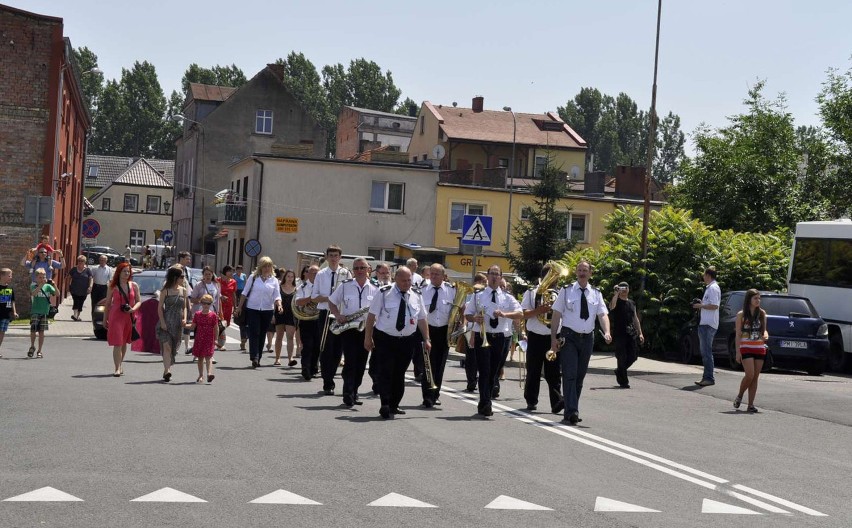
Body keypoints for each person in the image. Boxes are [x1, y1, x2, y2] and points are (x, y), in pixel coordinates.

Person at [363, 266, 431, 419]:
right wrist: (368, 337)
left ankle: (394, 404)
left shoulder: (416, 295)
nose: (407, 283)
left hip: (407, 340)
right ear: (396, 279)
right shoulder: (384, 293)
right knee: (386, 371)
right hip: (385, 338)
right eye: (403, 280)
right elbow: (371, 316)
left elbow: (422, 318)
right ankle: (385, 404)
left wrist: (427, 339)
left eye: (409, 280)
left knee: (399, 373)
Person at [550, 260, 612, 425]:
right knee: (570, 374)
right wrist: (553, 339)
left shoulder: (596, 293)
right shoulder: (566, 291)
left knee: (579, 376)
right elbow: (556, 315)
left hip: (587, 339)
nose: (582, 273)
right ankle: (572, 412)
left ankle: (571, 409)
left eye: (585, 270)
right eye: (579, 270)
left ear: (590, 273)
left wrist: (607, 331)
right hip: (569, 337)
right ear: (576, 273)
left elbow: (603, 315)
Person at [464, 265, 523, 417]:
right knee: (484, 370)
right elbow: (468, 314)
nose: (494, 277)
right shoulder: (478, 295)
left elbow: (519, 313)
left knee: (493, 372)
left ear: (501, 277)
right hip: (482, 336)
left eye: (497, 274)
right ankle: (485, 403)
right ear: (487, 276)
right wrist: (474, 318)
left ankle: (485, 400)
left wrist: (504, 314)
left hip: (500, 337)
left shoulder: (507, 297)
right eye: (492, 274)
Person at [329, 257, 378, 407]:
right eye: (356, 268)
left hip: (367, 329)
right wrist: (338, 315)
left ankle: (355, 391)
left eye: (362, 268)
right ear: (353, 271)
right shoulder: (345, 286)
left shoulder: (376, 288)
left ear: (368, 269)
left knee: (362, 363)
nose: (359, 271)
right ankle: (348, 393)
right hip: (349, 328)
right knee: (350, 361)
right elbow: (332, 302)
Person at [521, 264, 564, 413]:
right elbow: (524, 314)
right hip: (536, 336)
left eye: (556, 277)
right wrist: (539, 310)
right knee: (534, 370)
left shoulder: (560, 293)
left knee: (554, 371)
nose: (555, 280)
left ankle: (557, 402)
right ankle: (531, 400)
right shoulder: (532, 292)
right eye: (553, 276)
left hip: (554, 337)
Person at [311, 245, 352, 395]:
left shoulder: (346, 273)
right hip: (326, 314)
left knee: (338, 348)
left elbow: (350, 293)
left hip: (341, 314)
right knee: (326, 348)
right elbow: (314, 297)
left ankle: (332, 375)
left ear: (340, 257)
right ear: (327, 257)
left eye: (336, 255)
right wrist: (331, 298)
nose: (334, 258)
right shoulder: (321, 274)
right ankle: (327, 382)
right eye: (331, 255)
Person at [234, 256, 282, 368]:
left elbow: (277, 295)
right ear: (260, 267)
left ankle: (258, 357)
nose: (267, 268)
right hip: (253, 308)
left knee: (262, 333)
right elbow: (244, 293)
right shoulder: (253, 277)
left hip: (267, 309)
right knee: (254, 332)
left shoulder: (274, 280)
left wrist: (279, 305)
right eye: (264, 266)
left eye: (269, 266)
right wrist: (239, 307)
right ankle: (254, 356)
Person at [419, 263, 455, 408]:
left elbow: (460, 308)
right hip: (427, 330)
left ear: (443, 276)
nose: (433, 276)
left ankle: (435, 393)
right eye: (431, 273)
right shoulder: (422, 290)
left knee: (439, 365)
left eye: (436, 274)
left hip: (444, 331)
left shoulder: (451, 290)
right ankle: (427, 395)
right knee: (427, 363)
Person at [102, 262, 141, 376]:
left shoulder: (134, 285)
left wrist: (133, 309)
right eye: (124, 271)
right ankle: (117, 368)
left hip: (129, 316)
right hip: (116, 317)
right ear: (118, 272)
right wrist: (105, 319)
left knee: (124, 343)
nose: (126, 273)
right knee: (117, 343)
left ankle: (120, 363)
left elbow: (139, 301)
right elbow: (108, 304)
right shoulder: (112, 286)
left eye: (128, 271)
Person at [733, 289, 768, 413]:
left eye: (759, 298)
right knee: (750, 375)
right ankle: (740, 395)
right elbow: (738, 334)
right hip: (746, 347)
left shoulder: (762, 313)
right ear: (749, 300)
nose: (758, 301)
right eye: (755, 298)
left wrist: (765, 335)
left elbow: (764, 330)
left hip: (759, 348)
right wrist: (738, 352)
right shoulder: (741, 314)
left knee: (755, 377)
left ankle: (751, 404)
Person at [608, 282, 644, 388]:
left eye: (626, 287)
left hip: (631, 333)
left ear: (629, 289)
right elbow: (611, 306)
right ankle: (623, 382)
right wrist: (616, 293)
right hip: (620, 333)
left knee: (633, 356)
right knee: (621, 357)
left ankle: (620, 370)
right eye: (622, 287)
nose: (624, 289)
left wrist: (640, 333)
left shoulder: (632, 303)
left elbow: (635, 319)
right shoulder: (617, 300)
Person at [156, 266, 187, 382]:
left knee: (173, 348)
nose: (183, 278)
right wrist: (162, 322)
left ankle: (166, 369)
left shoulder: (183, 290)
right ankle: (167, 370)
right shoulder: (165, 290)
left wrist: (184, 318)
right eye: (181, 276)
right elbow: (159, 308)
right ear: (175, 277)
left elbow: (185, 307)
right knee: (167, 346)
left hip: (178, 323)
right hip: (166, 322)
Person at [693, 266, 721, 387]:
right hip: (707, 323)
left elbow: (714, 305)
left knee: (706, 352)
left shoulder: (713, 288)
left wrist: (700, 306)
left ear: (708, 276)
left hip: (708, 324)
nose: (703, 277)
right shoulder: (711, 288)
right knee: (705, 352)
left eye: (704, 275)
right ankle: (707, 377)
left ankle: (709, 377)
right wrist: (702, 303)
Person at [461, 272, 487, 393]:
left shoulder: (484, 294)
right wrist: (465, 325)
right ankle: (471, 381)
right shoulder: (471, 294)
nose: (486, 284)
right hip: (471, 326)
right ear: (479, 282)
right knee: (471, 357)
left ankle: (476, 379)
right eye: (484, 282)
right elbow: (464, 310)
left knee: (478, 356)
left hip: (481, 328)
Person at [187, 293, 218, 383]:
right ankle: (201, 375)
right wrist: (184, 325)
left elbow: (216, 328)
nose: (206, 305)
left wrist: (215, 339)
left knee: (209, 357)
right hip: (199, 338)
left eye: (208, 304)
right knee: (200, 358)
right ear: (201, 303)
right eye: (204, 303)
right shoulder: (197, 314)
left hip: (209, 338)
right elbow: (193, 326)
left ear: (211, 304)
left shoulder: (213, 315)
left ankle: (209, 374)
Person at [295, 265, 319, 380]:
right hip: (306, 319)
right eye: (313, 273)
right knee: (308, 345)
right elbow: (298, 302)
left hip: (320, 319)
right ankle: (305, 368)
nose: (315, 275)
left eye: (317, 273)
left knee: (317, 346)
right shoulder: (303, 287)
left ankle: (313, 368)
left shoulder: (323, 286)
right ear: (308, 274)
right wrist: (311, 299)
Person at [190, 267, 223, 350]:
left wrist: (218, 312)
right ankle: (198, 353)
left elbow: (217, 300)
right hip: (200, 313)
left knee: (211, 334)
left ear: (212, 275)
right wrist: (202, 300)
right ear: (203, 275)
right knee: (199, 334)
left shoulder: (216, 284)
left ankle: (210, 354)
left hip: (211, 313)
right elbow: (192, 299)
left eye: (209, 274)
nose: (208, 276)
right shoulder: (199, 285)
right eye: (206, 274)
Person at [28, 268, 56, 358]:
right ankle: (32, 346)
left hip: (44, 312)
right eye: (40, 277)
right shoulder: (34, 285)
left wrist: (54, 286)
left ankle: (40, 350)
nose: (42, 279)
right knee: (33, 330)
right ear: (36, 278)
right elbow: (33, 294)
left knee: (41, 332)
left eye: (43, 277)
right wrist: (40, 285)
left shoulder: (48, 286)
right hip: (35, 311)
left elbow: (57, 294)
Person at [273, 269, 298, 367]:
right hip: (280, 313)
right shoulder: (279, 287)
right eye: (288, 276)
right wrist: (273, 315)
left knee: (290, 337)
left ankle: (290, 358)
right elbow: (274, 301)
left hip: (291, 315)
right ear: (285, 277)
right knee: (279, 336)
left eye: (292, 277)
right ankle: (277, 358)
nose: (290, 278)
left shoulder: (296, 289)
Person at [68, 255, 93, 322]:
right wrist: (68, 285)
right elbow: (69, 277)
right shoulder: (74, 269)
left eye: (82, 261)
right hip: (74, 289)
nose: (80, 262)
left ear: (85, 262)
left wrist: (90, 286)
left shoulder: (88, 270)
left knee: (81, 303)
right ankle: (75, 315)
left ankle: (77, 316)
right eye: (79, 261)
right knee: (76, 301)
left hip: (84, 290)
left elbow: (91, 279)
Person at [0, 268, 18, 359]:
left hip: (6, 314)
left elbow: (12, 301)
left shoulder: (10, 289)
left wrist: (14, 312)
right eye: (9, 275)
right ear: (2, 276)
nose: (11, 277)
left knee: (2, 332)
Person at [234, 264, 248, 350]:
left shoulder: (244, 276)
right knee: (242, 323)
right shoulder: (234, 276)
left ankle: (245, 337)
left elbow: (246, 284)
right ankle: (243, 338)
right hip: (237, 292)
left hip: (243, 292)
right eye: (238, 269)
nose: (239, 271)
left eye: (240, 269)